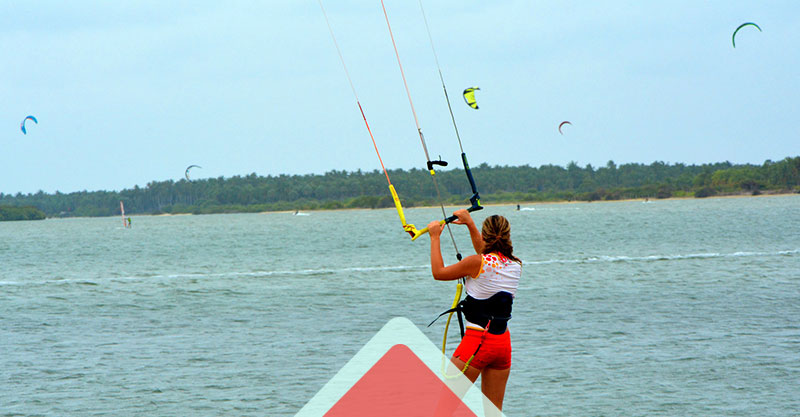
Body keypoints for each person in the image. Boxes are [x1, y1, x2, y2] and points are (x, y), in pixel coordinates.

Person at [427, 209, 522, 413]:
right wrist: (470, 223)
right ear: (507, 235)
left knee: (442, 411)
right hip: (502, 344)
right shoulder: (515, 265)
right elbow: (486, 255)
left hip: (477, 343)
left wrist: (435, 236)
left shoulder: (475, 262)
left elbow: (438, 273)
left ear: (485, 234)